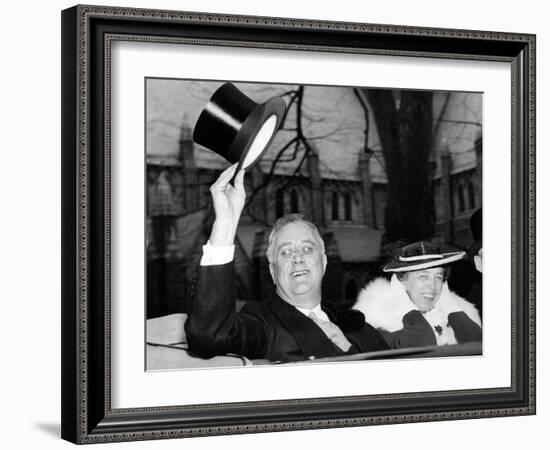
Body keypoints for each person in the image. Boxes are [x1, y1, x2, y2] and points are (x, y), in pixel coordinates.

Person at [185, 164, 389, 362]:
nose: (298, 258)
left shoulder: (359, 326)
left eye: (307, 249)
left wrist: (347, 348)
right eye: (286, 252)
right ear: (272, 271)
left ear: (324, 262)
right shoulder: (263, 324)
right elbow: (208, 336)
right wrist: (226, 225)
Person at [353, 241, 482, 349]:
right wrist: (405, 304)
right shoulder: (380, 321)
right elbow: (421, 343)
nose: (433, 285)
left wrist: (450, 307)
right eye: (423, 276)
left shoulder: (458, 313)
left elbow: (477, 344)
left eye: (438, 277)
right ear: (400, 283)